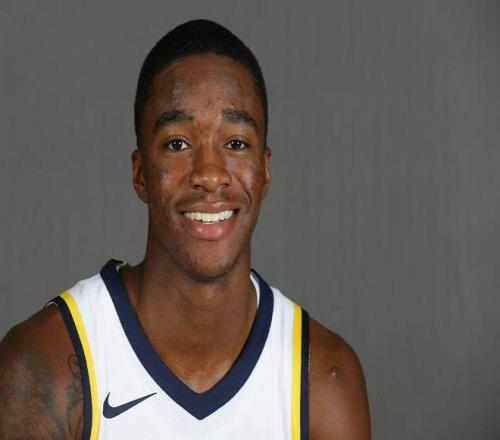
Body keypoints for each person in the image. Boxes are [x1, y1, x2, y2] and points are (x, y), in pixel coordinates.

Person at [0, 19, 370, 439]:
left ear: (264, 171)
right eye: (178, 143)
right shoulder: (46, 365)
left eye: (236, 143)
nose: (210, 174)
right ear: (141, 174)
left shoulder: (323, 380)